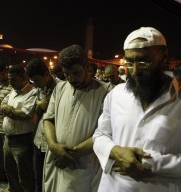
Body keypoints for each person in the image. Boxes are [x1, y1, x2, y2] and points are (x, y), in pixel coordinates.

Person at [93, 27, 181, 191]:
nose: (134, 71)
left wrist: (152, 164)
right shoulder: (116, 94)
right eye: (129, 62)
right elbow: (100, 135)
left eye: (143, 62)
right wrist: (115, 151)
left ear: (164, 56)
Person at [43, 44, 107, 192]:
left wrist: (71, 154)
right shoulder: (60, 88)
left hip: (84, 167)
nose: (71, 79)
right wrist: (53, 146)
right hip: (56, 161)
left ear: (87, 68)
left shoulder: (104, 92)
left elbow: (104, 133)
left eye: (76, 73)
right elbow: (48, 119)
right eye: (66, 74)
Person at [25, 57, 62, 192]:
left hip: (53, 143)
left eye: (37, 81)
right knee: (38, 178)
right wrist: (40, 107)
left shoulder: (62, 88)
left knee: (52, 180)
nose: (35, 85)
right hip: (39, 141)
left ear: (47, 75)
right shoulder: (40, 88)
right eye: (33, 81)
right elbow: (37, 113)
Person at [0, 64, 37, 192]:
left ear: (23, 78)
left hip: (23, 141)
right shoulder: (13, 91)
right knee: (10, 171)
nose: (10, 82)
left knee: (25, 175)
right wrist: (12, 110)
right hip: (8, 139)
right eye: (9, 79)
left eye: (13, 80)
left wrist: (8, 110)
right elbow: (2, 105)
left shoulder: (32, 93)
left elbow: (25, 115)